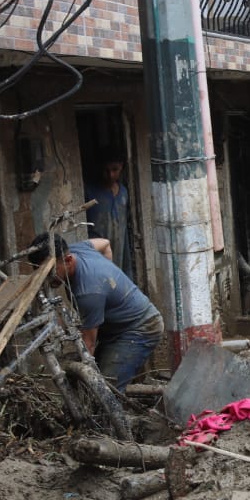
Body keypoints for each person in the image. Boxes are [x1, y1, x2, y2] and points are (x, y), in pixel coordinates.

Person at [28, 233, 163, 390]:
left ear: (68, 260)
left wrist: (80, 380)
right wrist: (109, 275)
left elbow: (88, 346)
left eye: (50, 271)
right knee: (97, 381)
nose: (46, 278)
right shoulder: (78, 249)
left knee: (105, 390)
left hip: (140, 328)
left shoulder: (89, 292)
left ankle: (115, 413)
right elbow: (105, 243)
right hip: (115, 328)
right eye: (41, 271)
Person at [84, 149, 134, 278]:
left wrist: (128, 269)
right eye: (106, 170)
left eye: (115, 170)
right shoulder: (89, 193)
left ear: (121, 167)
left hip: (119, 257)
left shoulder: (123, 193)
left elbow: (124, 234)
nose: (110, 175)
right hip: (98, 258)